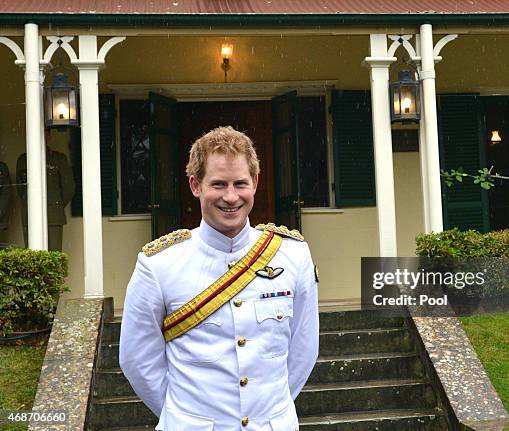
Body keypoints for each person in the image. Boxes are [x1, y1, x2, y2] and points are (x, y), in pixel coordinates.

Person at [120, 126, 319, 431]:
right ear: (195, 185)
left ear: (255, 183)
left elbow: (303, 351)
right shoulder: (158, 264)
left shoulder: (293, 255)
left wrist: (270, 413)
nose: (230, 197)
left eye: (240, 183)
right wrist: (185, 416)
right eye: (218, 184)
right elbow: (138, 360)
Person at [16, 144, 75, 251]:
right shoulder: (23, 160)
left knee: (54, 253)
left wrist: (56, 203)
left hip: (53, 214)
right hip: (30, 212)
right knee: (31, 254)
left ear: (49, 135)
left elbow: (69, 188)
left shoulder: (59, 159)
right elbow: (20, 189)